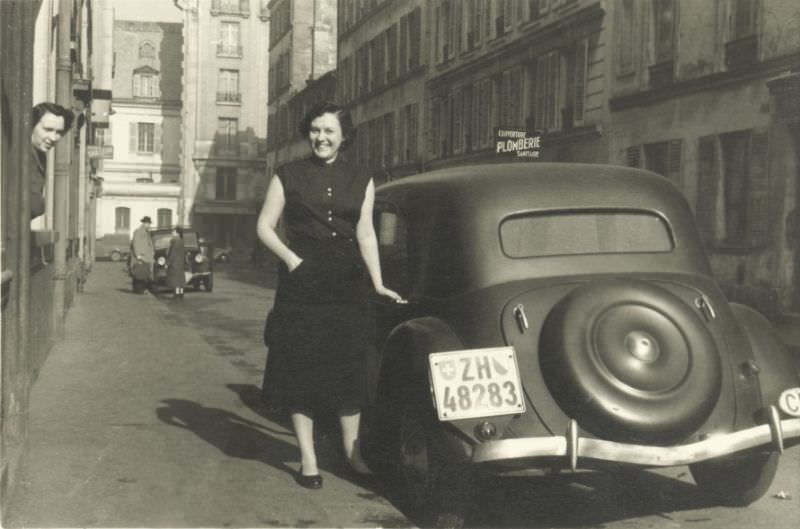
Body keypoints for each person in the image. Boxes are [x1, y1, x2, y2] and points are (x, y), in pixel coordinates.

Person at [256, 101, 405, 489]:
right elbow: (265, 227)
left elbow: (366, 233)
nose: (321, 138)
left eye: (330, 132)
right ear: (309, 133)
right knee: (301, 370)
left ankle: (353, 453)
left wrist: (377, 282)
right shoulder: (288, 174)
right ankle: (308, 459)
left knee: (348, 369)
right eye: (316, 130)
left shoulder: (362, 177)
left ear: (344, 136)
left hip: (347, 284)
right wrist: (291, 260)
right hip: (302, 283)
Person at [30, 102, 74, 219]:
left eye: (59, 132)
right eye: (48, 129)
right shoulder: (24, 154)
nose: (54, 138)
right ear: (31, 125)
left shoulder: (39, 154)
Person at [130, 216, 155, 293]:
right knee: (140, 274)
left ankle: (140, 289)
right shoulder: (138, 232)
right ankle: (138, 290)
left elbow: (149, 244)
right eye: (148, 223)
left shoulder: (147, 232)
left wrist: (152, 252)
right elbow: (135, 243)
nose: (149, 225)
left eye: (149, 224)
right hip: (142, 256)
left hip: (147, 257)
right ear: (144, 223)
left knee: (144, 274)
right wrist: (138, 255)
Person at [166, 226, 186, 299]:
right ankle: (181, 294)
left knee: (176, 280)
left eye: (173, 231)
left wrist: (167, 263)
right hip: (180, 263)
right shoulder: (181, 240)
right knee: (180, 279)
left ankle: (176, 295)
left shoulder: (175, 241)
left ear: (177, 233)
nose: (172, 232)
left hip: (175, 263)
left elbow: (172, 253)